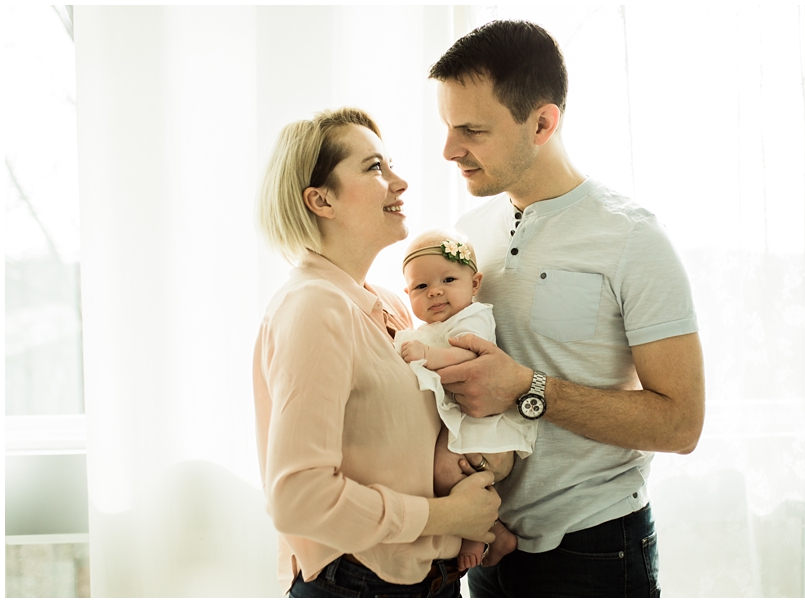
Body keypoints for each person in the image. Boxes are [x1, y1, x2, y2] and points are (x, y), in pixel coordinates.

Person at [428, 20, 706, 597]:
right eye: (448, 127)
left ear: (543, 122)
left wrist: (527, 388)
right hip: (487, 546)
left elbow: (682, 424)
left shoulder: (632, 239)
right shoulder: (466, 236)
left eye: (471, 130)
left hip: (595, 550)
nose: (450, 150)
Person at [252, 107, 501, 598]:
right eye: (374, 168)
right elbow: (297, 498)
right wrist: (446, 515)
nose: (400, 182)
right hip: (361, 584)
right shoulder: (315, 308)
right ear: (320, 200)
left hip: (428, 578)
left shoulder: (386, 305)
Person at [395, 228, 531, 571]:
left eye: (448, 279)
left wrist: (428, 354)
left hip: (482, 424)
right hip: (462, 421)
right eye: (421, 287)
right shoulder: (426, 330)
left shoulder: (473, 317)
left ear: (474, 283)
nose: (435, 291)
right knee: (436, 475)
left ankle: (480, 530)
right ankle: (495, 531)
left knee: (444, 472)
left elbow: (473, 360)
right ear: (407, 294)